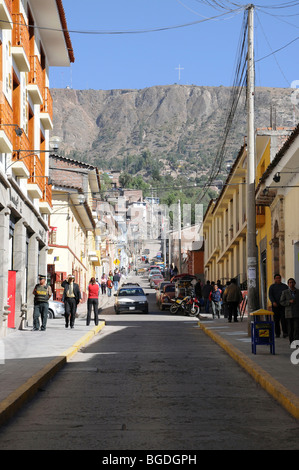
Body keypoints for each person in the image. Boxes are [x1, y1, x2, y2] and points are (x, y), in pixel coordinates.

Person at [280, 278, 299, 345]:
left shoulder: (297, 292)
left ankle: (296, 341)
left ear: (295, 283)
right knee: (290, 328)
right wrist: (288, 302)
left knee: (296, 327)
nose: (291, 284)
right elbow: (282, 302)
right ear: (288, 284)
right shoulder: (285, 292)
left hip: (297, 313)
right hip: (289, 313)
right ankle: (291, 341)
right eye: (290, 283)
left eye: (292, 282)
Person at [268, 273, 288, 338]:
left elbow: (287, 295)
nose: (278, 279)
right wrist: (273, 302)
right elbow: (270, 295)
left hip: (283, 306)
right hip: (275, 306)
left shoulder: (284, 286)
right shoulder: (272, 287)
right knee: (276, 320)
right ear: (274, 279)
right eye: (276, 278)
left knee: (284, 320)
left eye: (279, 278)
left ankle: (285, 332)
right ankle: (277, 333)